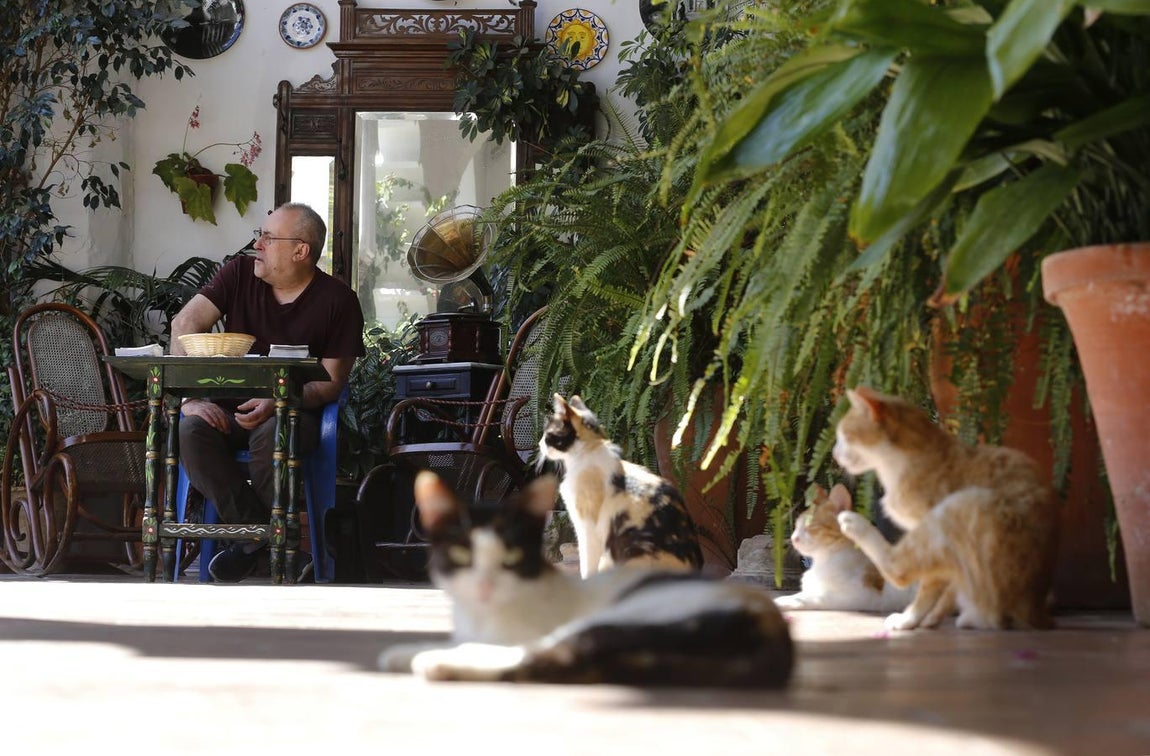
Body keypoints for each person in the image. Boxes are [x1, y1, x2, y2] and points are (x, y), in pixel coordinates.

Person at [171, 202, 365, 582]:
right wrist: (190, 399)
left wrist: (280, 401)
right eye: (259, 236)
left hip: (293, 413)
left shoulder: (339, 301)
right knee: (190, 431)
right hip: (227, 411)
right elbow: (185, 323)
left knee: (272, 435)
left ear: (300, 250)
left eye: (268, 238)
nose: (256, 245)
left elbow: (331, 382)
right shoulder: (239, 274)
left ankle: (253, 545)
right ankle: (265, 542)